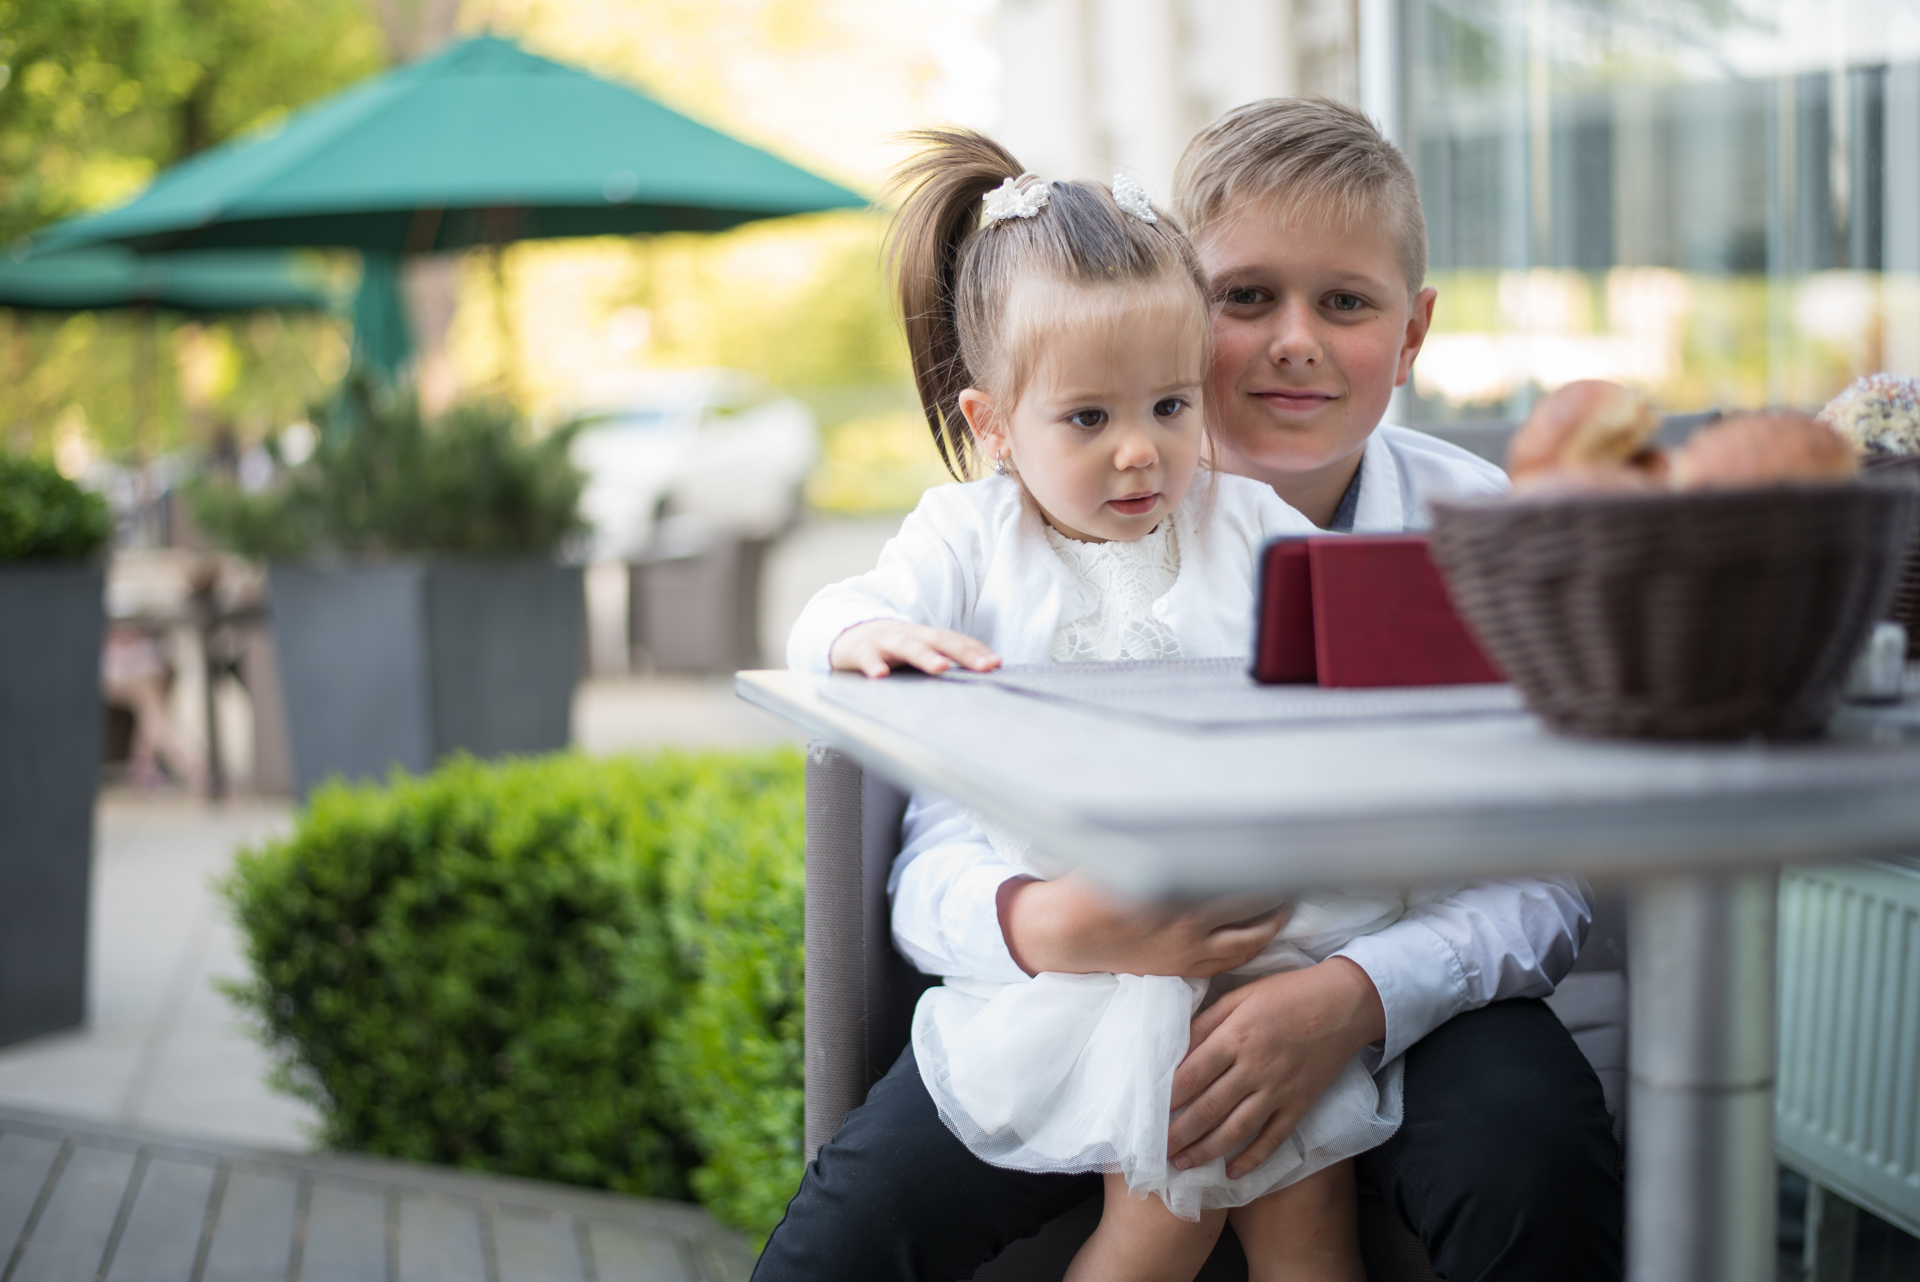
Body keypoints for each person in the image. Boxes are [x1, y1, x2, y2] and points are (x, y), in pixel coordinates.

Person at [757, 99, 1620, 1282]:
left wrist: (1352, 995)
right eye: (1246, 298)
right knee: (857, 1234)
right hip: (1076, 987)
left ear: (1412, 335)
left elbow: (1543, 859)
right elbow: (944, 819)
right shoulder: (1019, 524)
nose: (1292, 343)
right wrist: (1055, 924)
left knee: (1526, 1157)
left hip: (1371, 960)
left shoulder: (1472, 536)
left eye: (1347, 302)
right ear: (1176, 303)